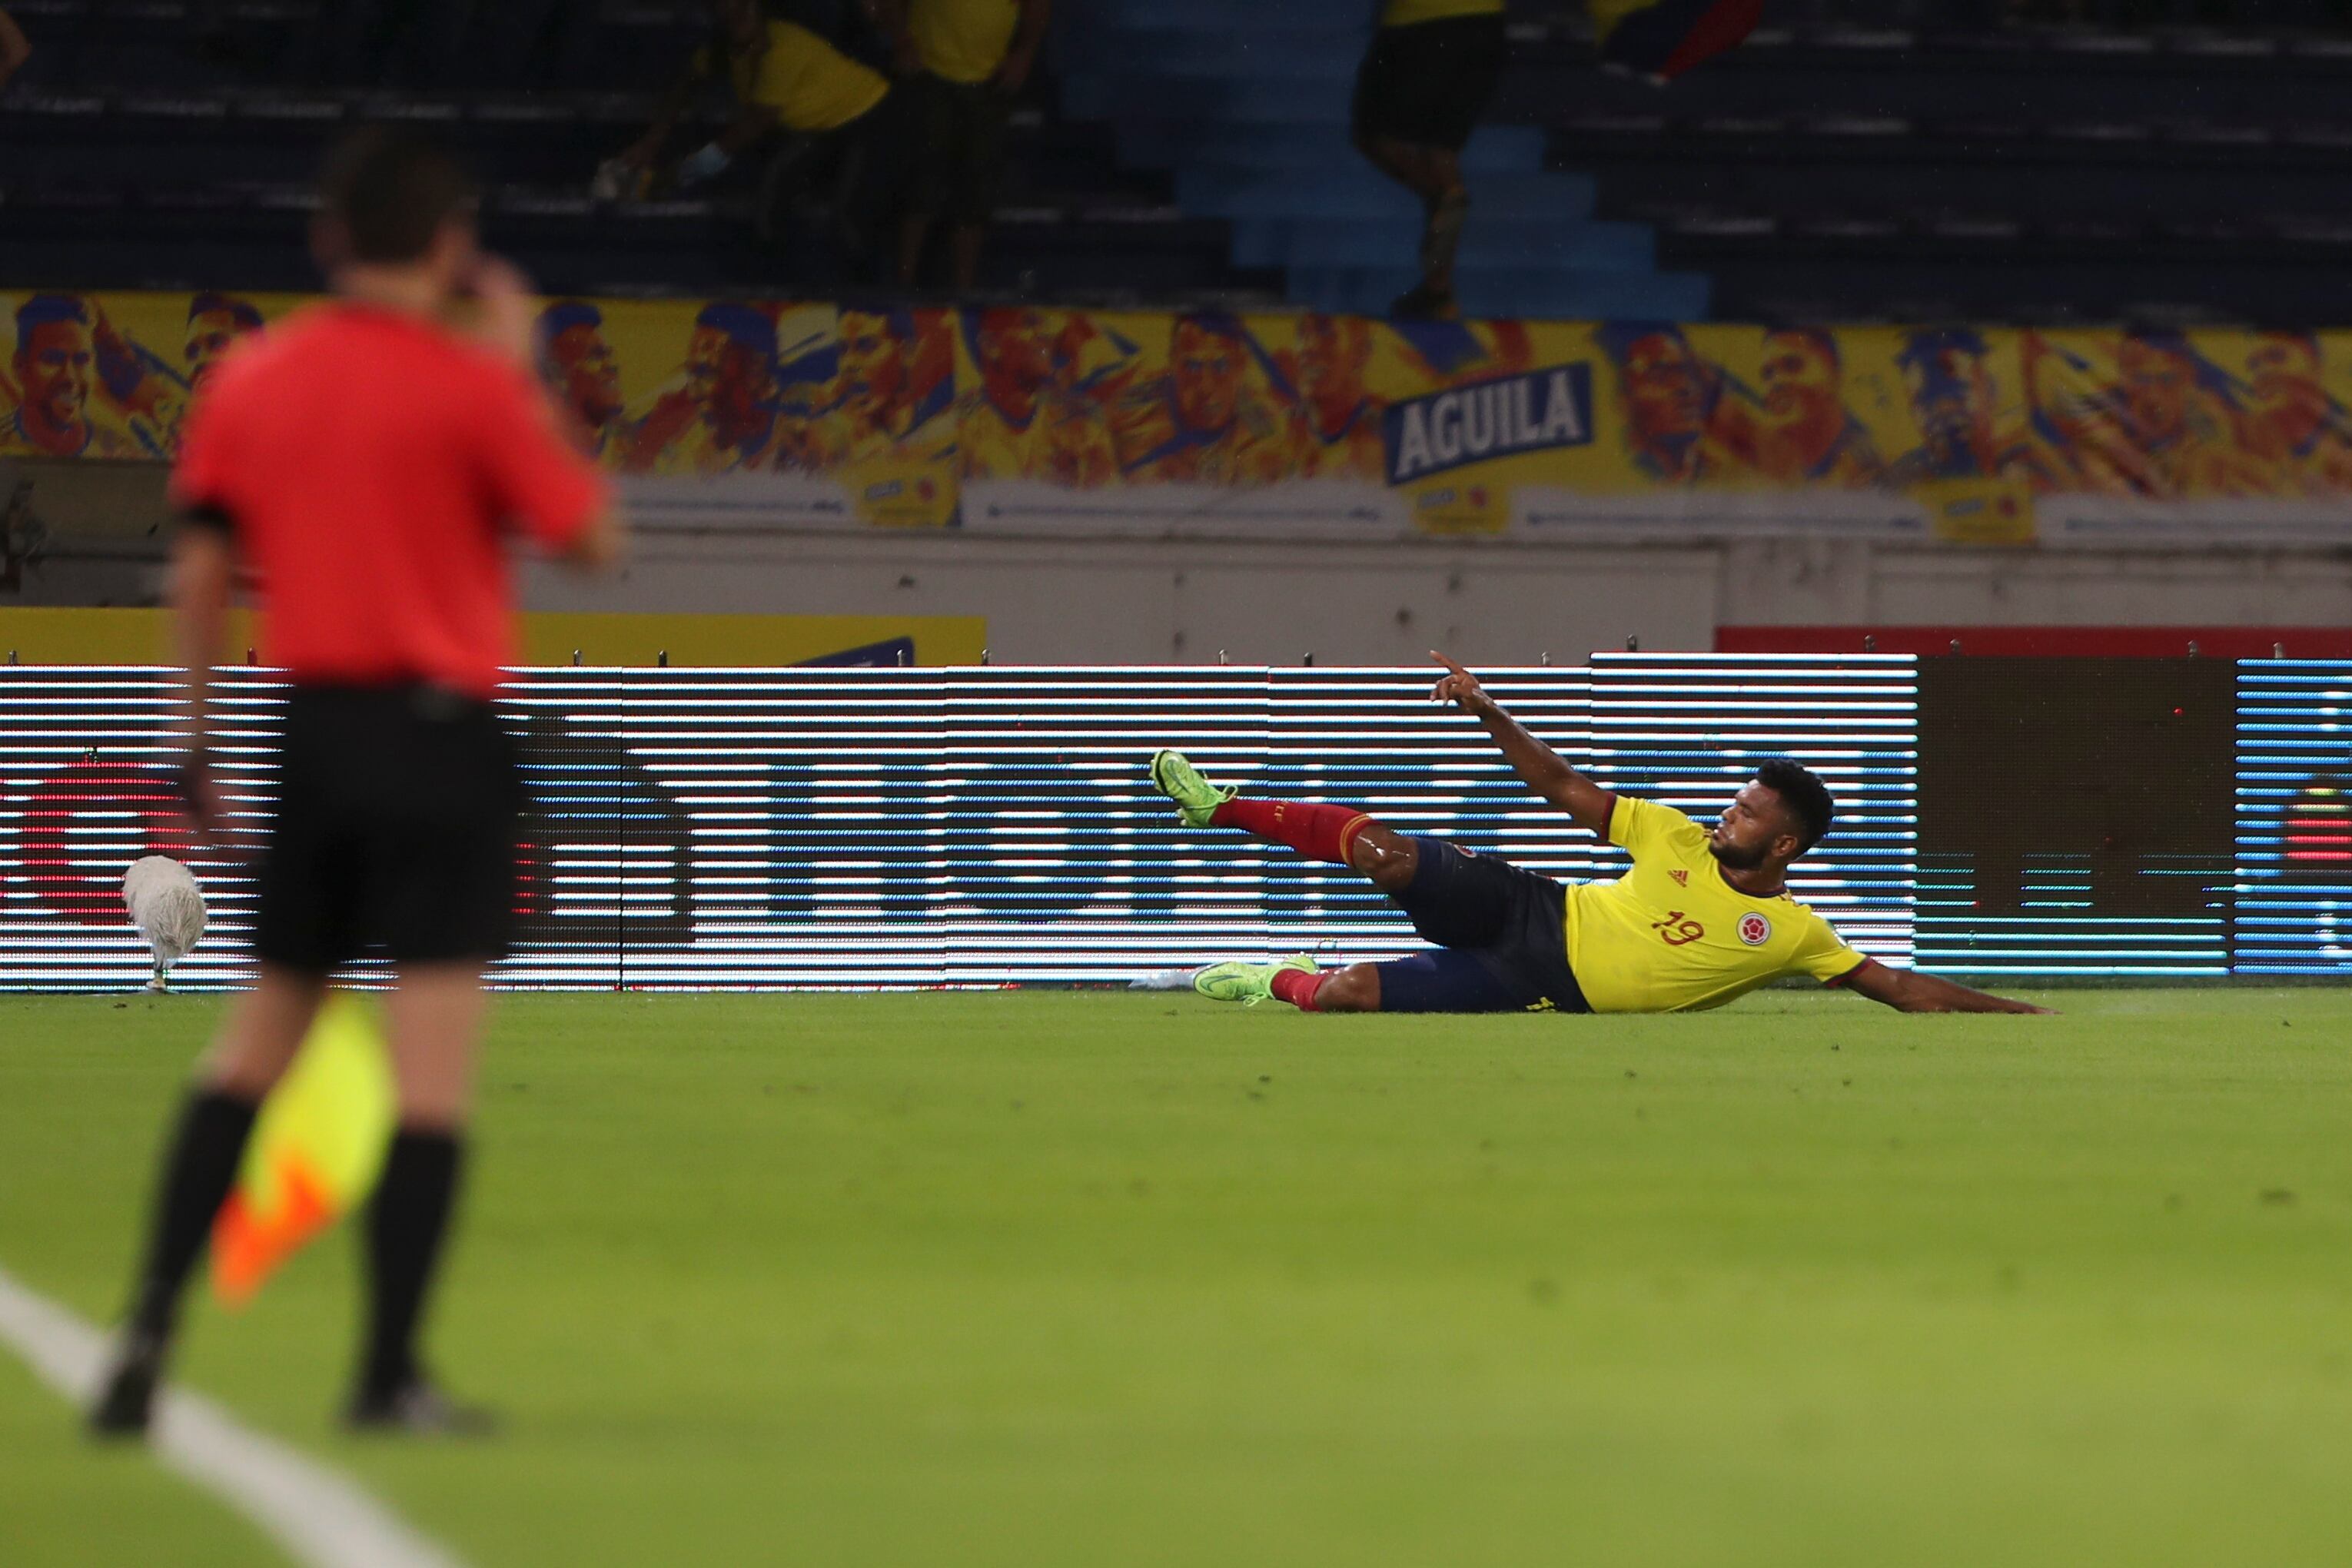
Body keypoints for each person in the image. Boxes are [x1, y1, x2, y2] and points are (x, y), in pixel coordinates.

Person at [88, 126, 623, 1438]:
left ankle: (147, 1329)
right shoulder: (469, 381)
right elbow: (592, 540)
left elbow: (202, 574)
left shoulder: (257, 379)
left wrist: (194, 743)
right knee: (428, 1073)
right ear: (448, 250)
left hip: (316, 732)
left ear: (329, 240)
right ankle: (385, 1373)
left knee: (254, 1048)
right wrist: (520, 370)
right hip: (445, 739)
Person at [1153, 652, 2051, 1018]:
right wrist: (1487, 709)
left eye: (1746, 816)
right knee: (1384, 853)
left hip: (1538, 980)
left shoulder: (1795, 935)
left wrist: (2018, 1014)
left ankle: (1268, 979)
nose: (1724, 817)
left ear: (1784, 849)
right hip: (1533, 906)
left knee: (1349, 994)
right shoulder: (1672, 836)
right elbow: (1561, 785)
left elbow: (1903, 990)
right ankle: (1219, 807)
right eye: (1734, 804)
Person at [614, 0, 908, 272]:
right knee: (772, 194)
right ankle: (774, 289)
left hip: (870, 116)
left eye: (744, 10)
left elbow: (746, 131)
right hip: (816, 127)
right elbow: (684, 84)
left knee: (850, 216)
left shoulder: (781, 49)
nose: (738, 18)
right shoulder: (721, 52)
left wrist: (677, 176)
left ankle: (873, 302)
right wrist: (652, 141)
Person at [864, 0, 1051, 291]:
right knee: (920, 184)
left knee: (976, 188)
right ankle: (903, 284)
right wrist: (902, 41)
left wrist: (1024, 53)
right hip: (929, 74)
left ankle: (964, 291)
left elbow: (1037, 6)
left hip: (990, 80)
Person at [1350, 0, 1508, 321]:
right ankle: (1438, 291)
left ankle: (1441, 199)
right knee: (1441, 151)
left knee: (1378, 138)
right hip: (1486, 24)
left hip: (1418, 23)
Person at [2, 295, 145, 458]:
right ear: (20, 366)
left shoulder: (122, 453)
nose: (70, 377)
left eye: (82, 360)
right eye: (53, 360)